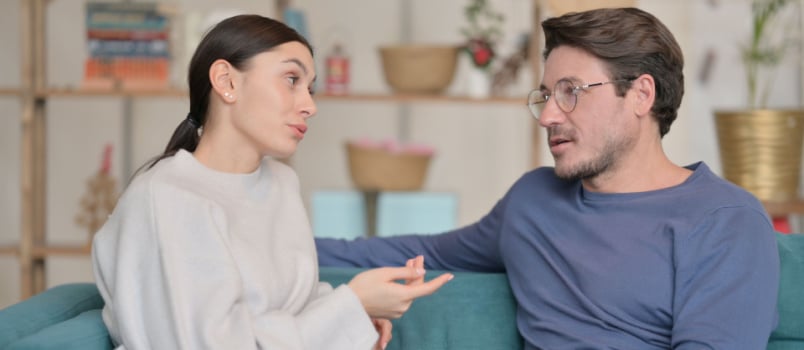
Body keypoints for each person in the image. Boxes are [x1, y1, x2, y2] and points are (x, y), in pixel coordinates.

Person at [316, 7, 779, 350]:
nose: (548, 116)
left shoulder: (725, 221)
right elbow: (412, 253)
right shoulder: (533, 201)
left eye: (570, 92)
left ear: (640, 94)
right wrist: (265, 241)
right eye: (545, 95)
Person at [91, 14, 453, 350]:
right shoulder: (167, 197)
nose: (309, 105)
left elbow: (293, 307)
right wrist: (350, 306)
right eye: (292, 80)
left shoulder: (281, 184)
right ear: (226, 81)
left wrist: (360, 318)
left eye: (310, 88)